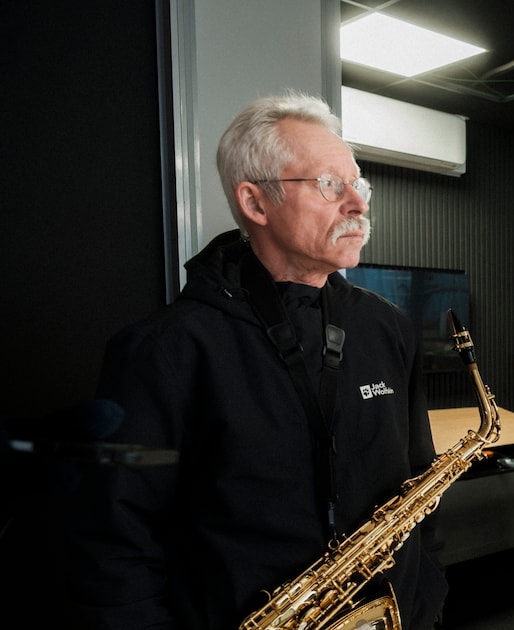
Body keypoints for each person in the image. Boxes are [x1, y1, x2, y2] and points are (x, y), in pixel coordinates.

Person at [66, 91, 448, 629]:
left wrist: (425, 598)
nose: (358, 203)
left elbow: (417, 484)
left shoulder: (387, 327)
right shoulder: (164, 349)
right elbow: (113, 540)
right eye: (328, 184)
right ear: (256, 203)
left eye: (358, 183)